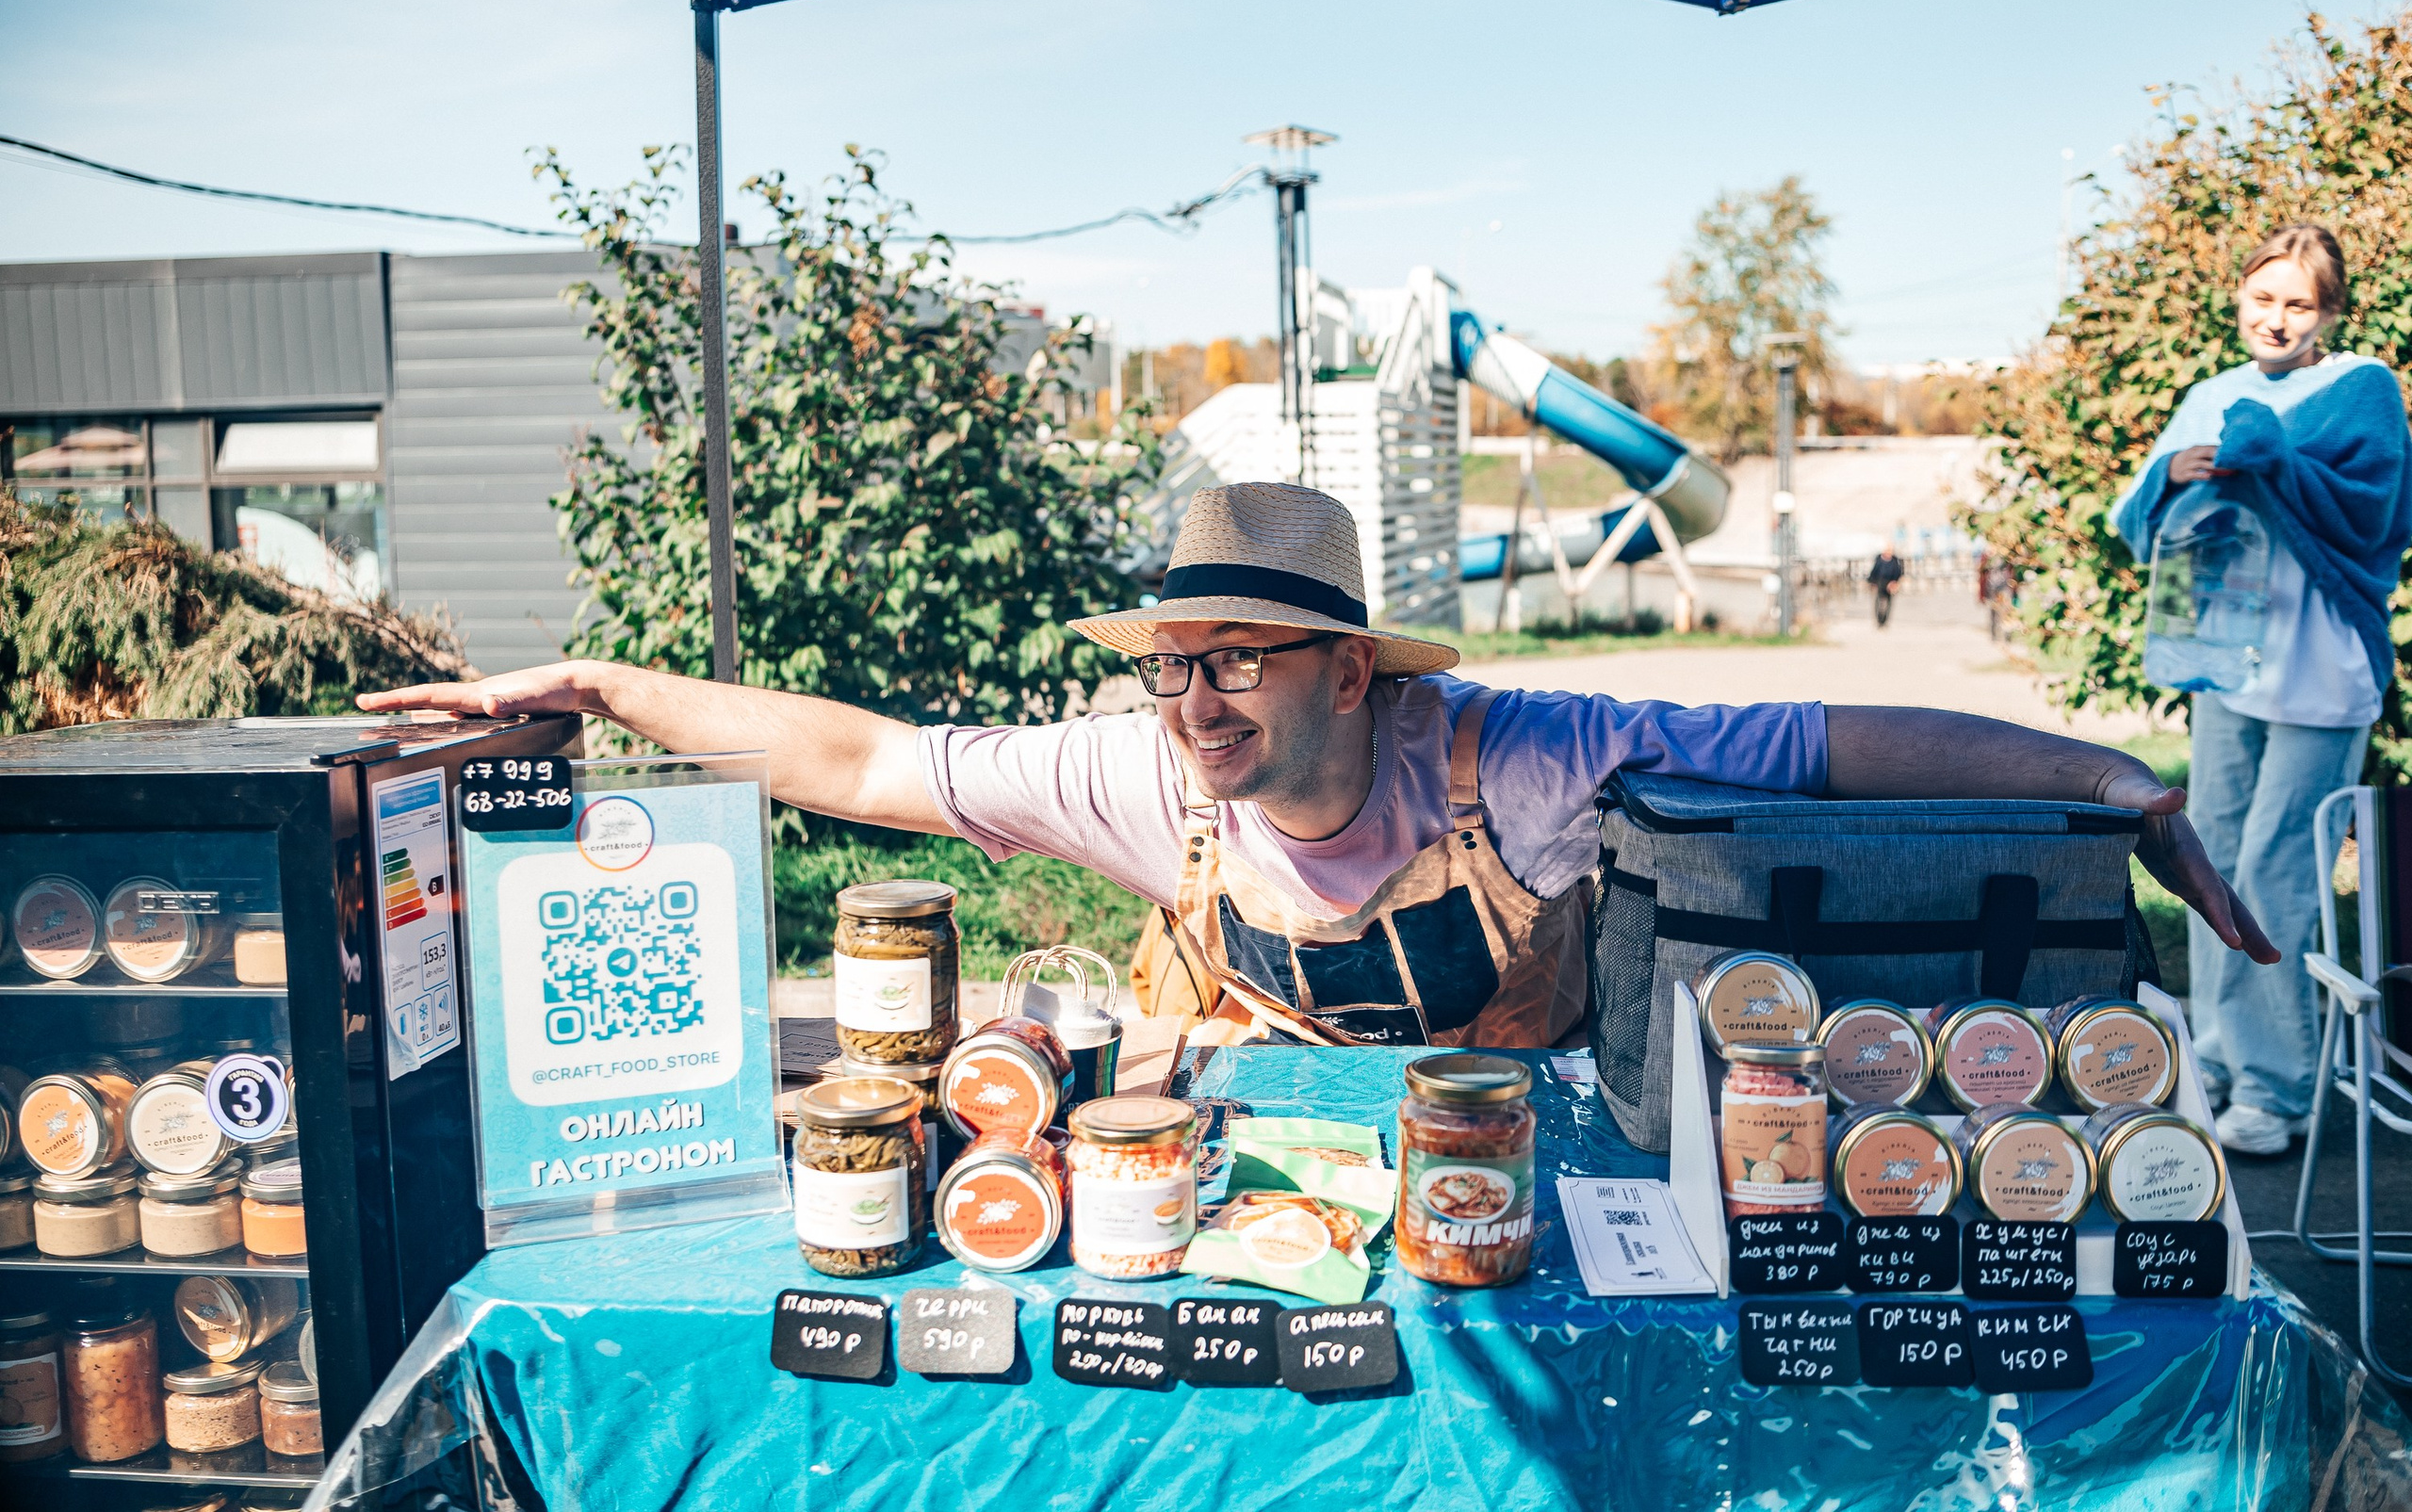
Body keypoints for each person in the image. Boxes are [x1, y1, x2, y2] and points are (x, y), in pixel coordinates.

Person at [365, 480, 2274, 1049]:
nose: (1190, 703)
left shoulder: (1529, 754)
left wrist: (2115, 782)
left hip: (1494, 1176)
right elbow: (860, 757)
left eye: (1234, 661)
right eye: (1169, 664)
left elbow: (1827, 745)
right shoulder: (1140, 779)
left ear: (1349, 670)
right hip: (1232, 1198)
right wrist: (605, 681)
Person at [2112, 224, 2412, 1156]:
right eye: (2262, 299)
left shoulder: (2361, 389)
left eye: (2298, 304)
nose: (2276, 319)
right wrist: (2171, 474)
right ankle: (2212, 1052)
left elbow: (2376, 511)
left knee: (2277, 870)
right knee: (2206, 859)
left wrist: (2271, 457)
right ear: (2239, 299)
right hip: (2224, 655)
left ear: (2330, 312)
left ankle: (2275, 1087)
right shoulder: (2209, 395)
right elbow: (2135, 518)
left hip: (2321, 666)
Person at [1866, 546, 1905, 628]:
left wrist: (1895, 583)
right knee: (1879, 602)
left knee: (1888, 603)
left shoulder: (1895, 561)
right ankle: (1879, 620)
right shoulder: (1879, 560)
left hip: (1891, 584)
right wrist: (1872, 583)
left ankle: (1884, 621)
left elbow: (1899, 573)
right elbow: (1874, 573)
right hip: (1880, 583)